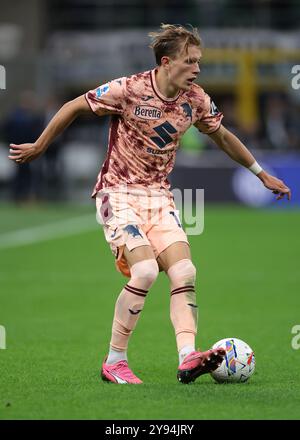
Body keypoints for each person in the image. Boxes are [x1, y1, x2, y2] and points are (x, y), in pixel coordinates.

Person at [8, 24, 291, 385]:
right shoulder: (129, 89)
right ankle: (114, 361)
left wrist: (260, 173)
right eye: (191, 62)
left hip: (159, 197)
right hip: (117, 193)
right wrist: (40, 145)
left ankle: (188, 357)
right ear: (167, 62)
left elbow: (221, 134)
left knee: (185, 272)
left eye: (199, 62)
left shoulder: (196, 100)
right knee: (143, 273)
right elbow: (73, 106)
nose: (198, 69)